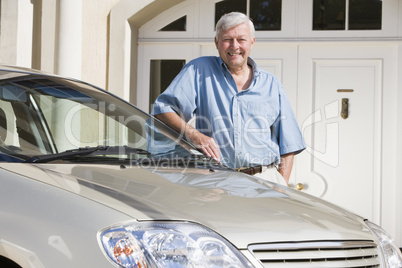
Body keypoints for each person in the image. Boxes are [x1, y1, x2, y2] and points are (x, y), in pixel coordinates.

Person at [151, 12, 305, 186]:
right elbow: (162, 110)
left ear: (252, 42)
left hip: (264, 182)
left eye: (241, 39)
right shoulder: (199, 70)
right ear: (216, 42)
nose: (234, 46)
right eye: (227, 39)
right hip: (215, 181)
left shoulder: (271, 84)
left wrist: (281, 183)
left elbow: (288, 144)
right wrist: (194, 136)